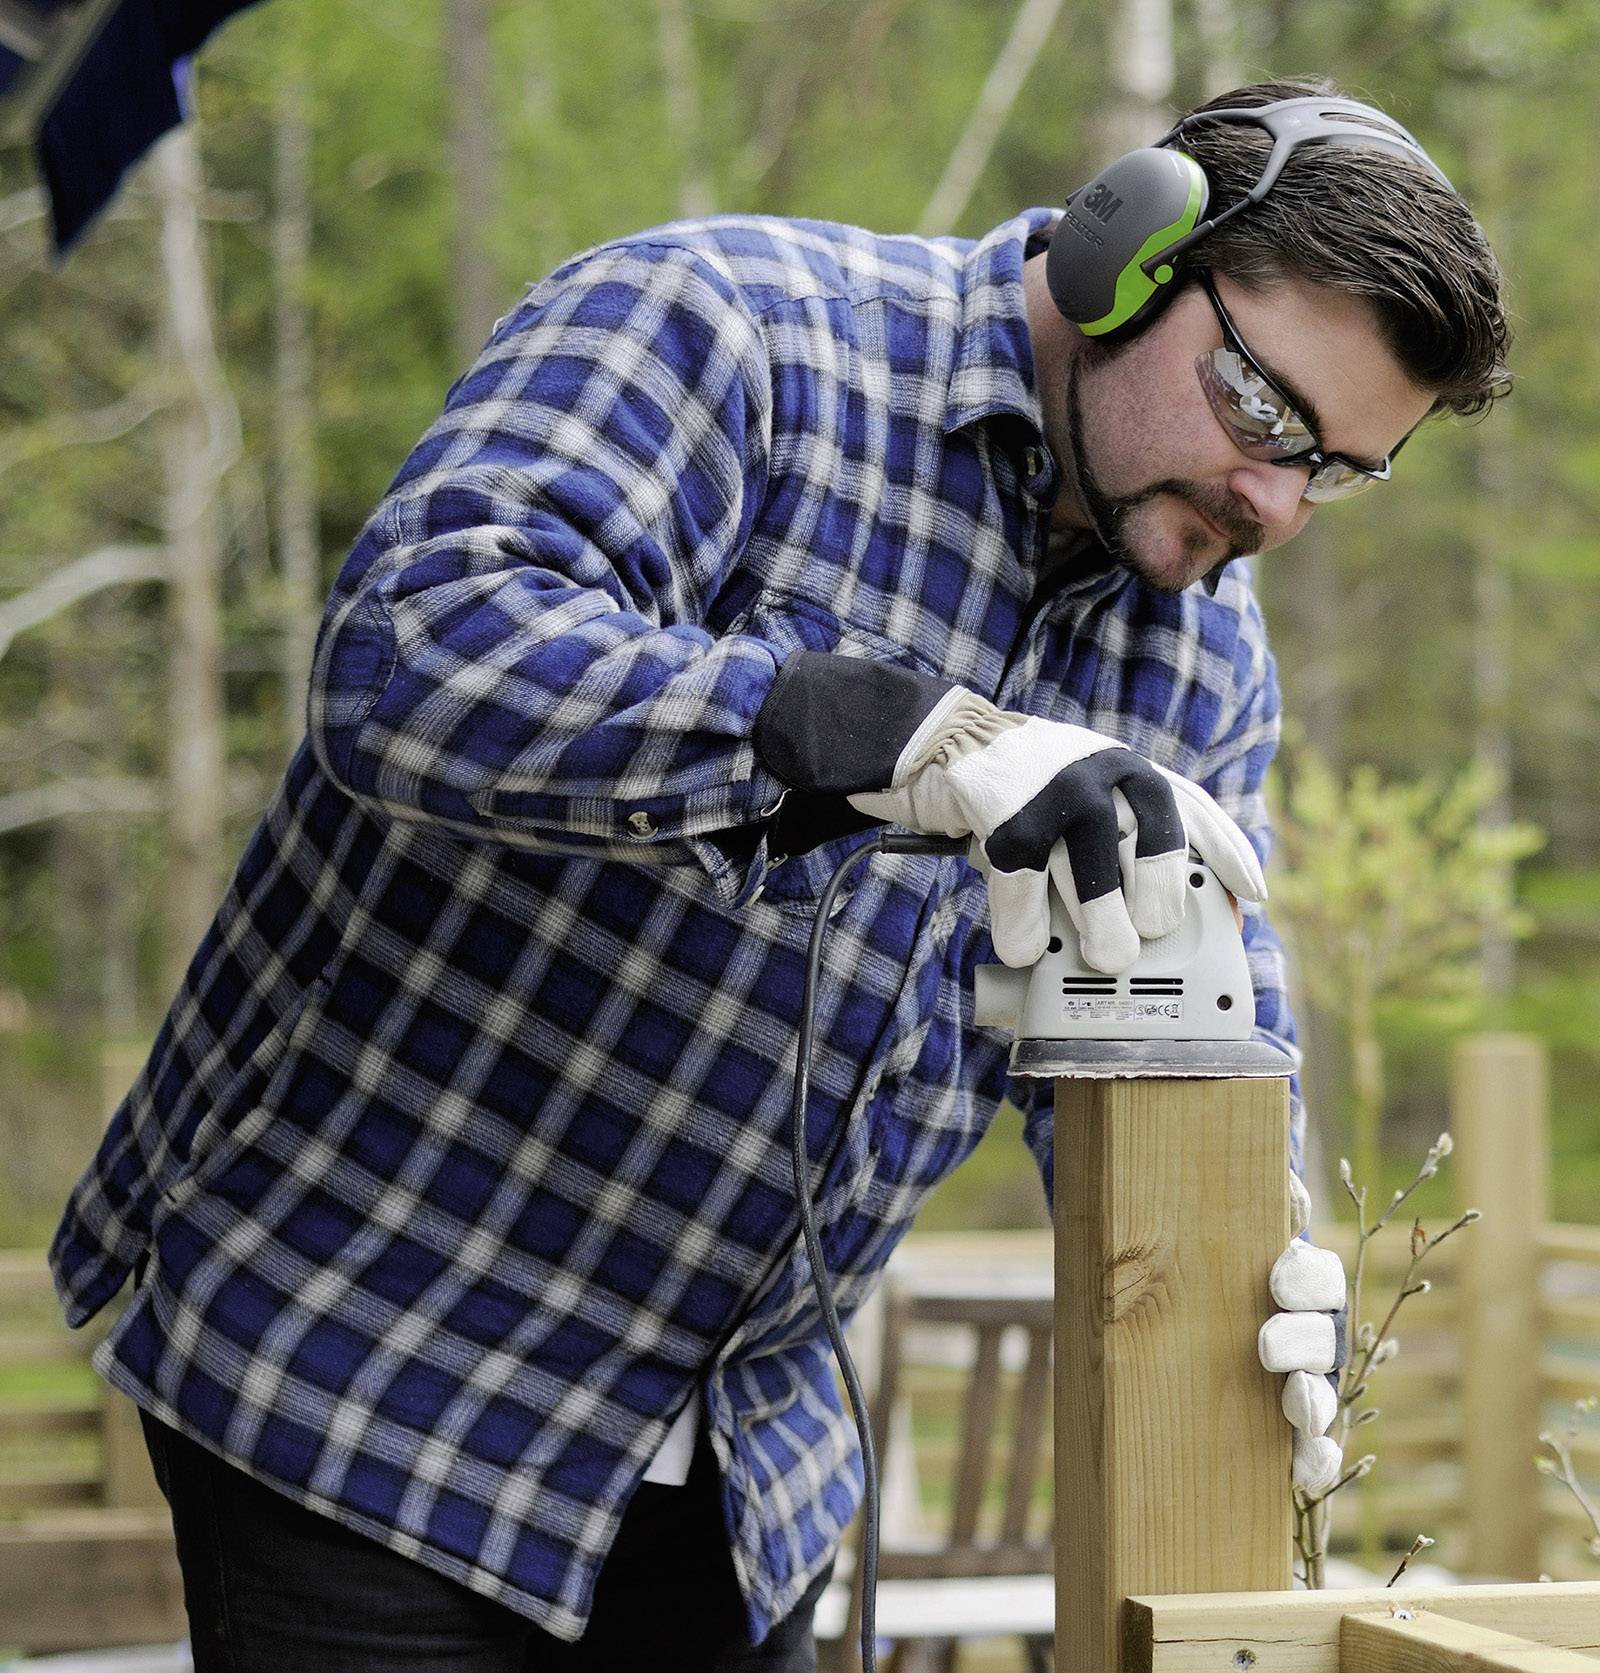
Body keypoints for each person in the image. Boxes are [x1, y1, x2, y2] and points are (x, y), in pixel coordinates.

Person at [48, 74, 1511, 1670]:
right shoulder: (727, 331)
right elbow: (410, 655)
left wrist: (1255, 1256)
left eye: (1339, 469)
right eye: (1263, 411)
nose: (1276, 501)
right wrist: (849, 727)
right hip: (376, 1380)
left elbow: (1198, 1037)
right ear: (1129, 254)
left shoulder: (1206, 673)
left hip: (750, 1485)